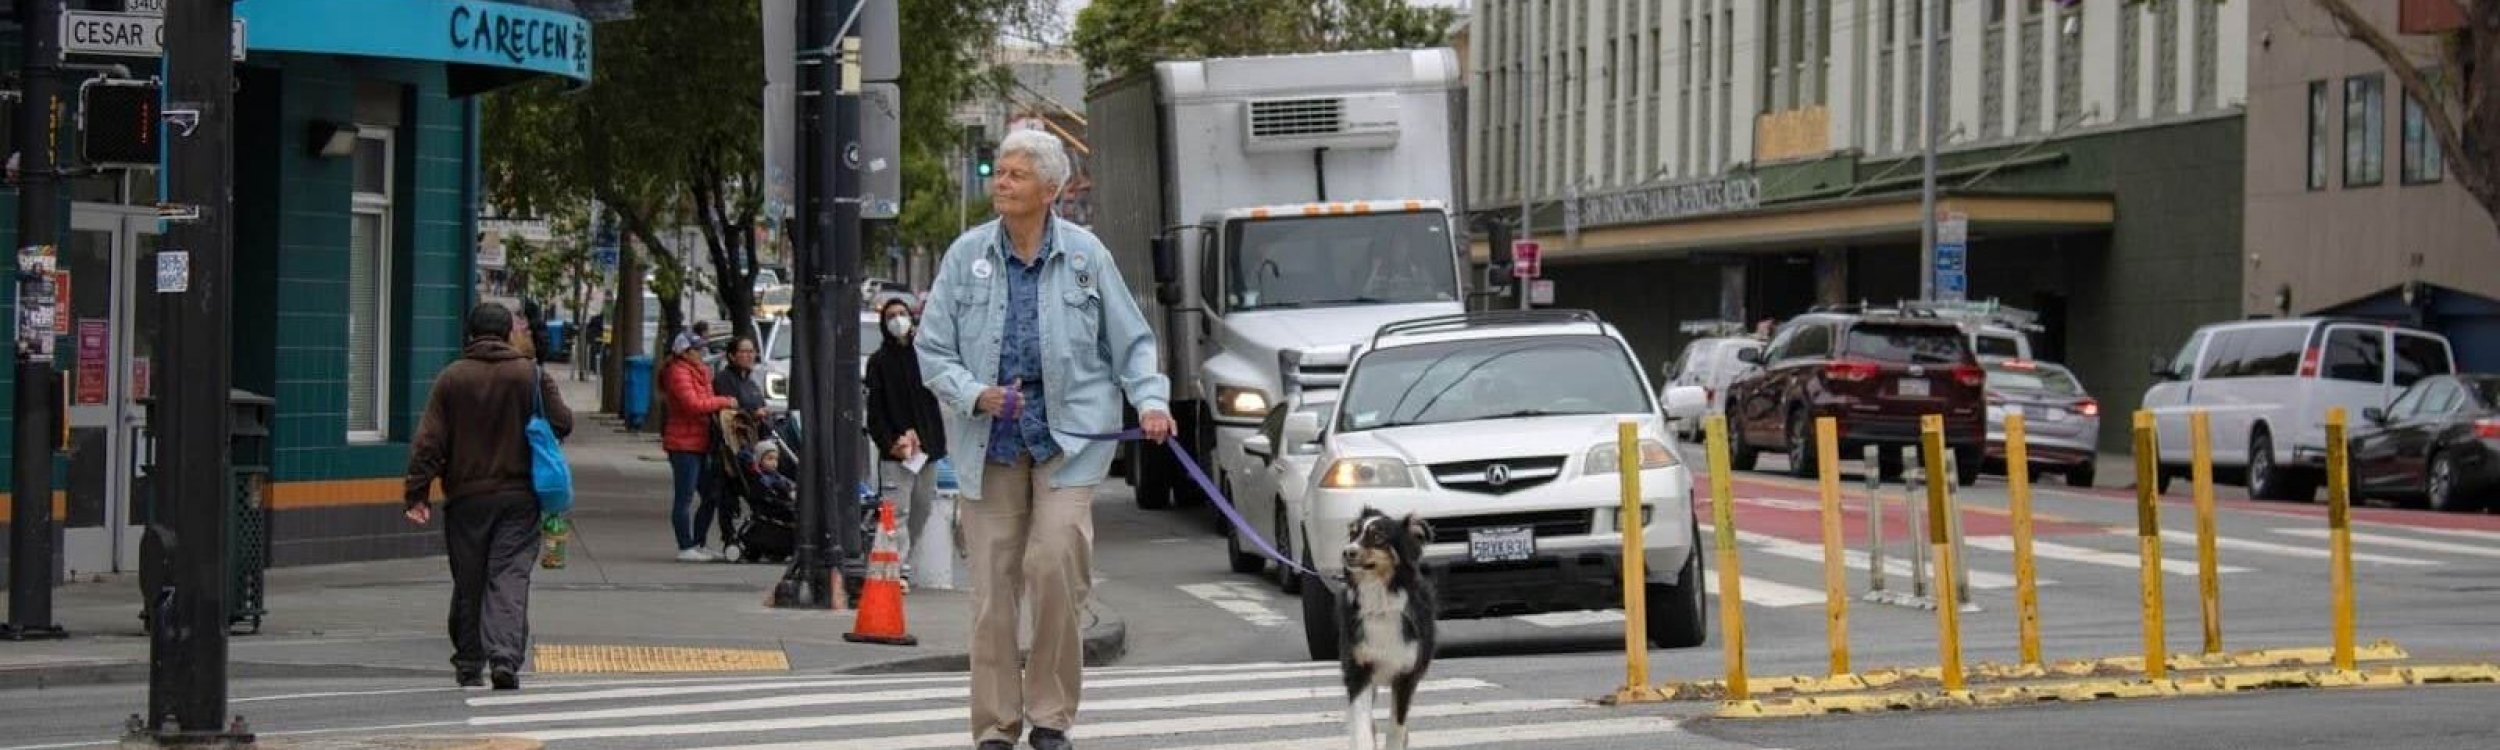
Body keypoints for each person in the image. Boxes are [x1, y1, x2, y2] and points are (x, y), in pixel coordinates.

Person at [919, 128, 1173, 750]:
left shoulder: (1087, 257)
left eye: (1015, 175)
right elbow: (931, 347)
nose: (1000, 183)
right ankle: (996, 727)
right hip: (990, 442)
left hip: (1070, 442)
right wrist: (974, 392)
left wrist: (1152, 400)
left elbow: (1132, 342)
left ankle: (1052, 717)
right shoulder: (966, 256)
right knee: (992, 591)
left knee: (1054, 565)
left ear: (1051, 190)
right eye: (999, 172)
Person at [403, 302, 573, 691]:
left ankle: (468, 664)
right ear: (509, 333)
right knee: (509, 575)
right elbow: (563, 421)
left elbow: (428, 442)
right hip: (519, 495)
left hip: (466, 497)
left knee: (470, 580)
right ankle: (504, 658)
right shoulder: (530, 376)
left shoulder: (452, 378)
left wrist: (417, 492)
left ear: (470, 333)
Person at [866, 298, 947, 571]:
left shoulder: (925, 355)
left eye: (902, 314)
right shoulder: (878, 362)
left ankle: (903, 558)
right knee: (894, 511)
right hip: (897, 453)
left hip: (927, 449)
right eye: (891, 315)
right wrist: (892, 444)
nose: (898, 319)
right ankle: (892, 567)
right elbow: (875, 413)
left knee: (922, 508)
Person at [662, 328, 738, 562]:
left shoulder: (699, 372)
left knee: (710, 494)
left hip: (699, 441)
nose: (701, 352)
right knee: (684, 497)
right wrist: (724, 401)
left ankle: (698, 542)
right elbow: (693, 404)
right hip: (683, 443)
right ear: (684, 352)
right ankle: (685, 546)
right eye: (696, 349)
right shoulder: (678, 372)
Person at [710, 335, 771, 560]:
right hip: (732, 448)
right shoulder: (725, 380)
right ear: (732, 356)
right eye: (743, 352)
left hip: (752, 446)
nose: (748, 355)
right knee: (729, 493)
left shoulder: (752, 382)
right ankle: (729, 536)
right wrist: (752, 414)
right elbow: (729, 414)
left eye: (751, 351)